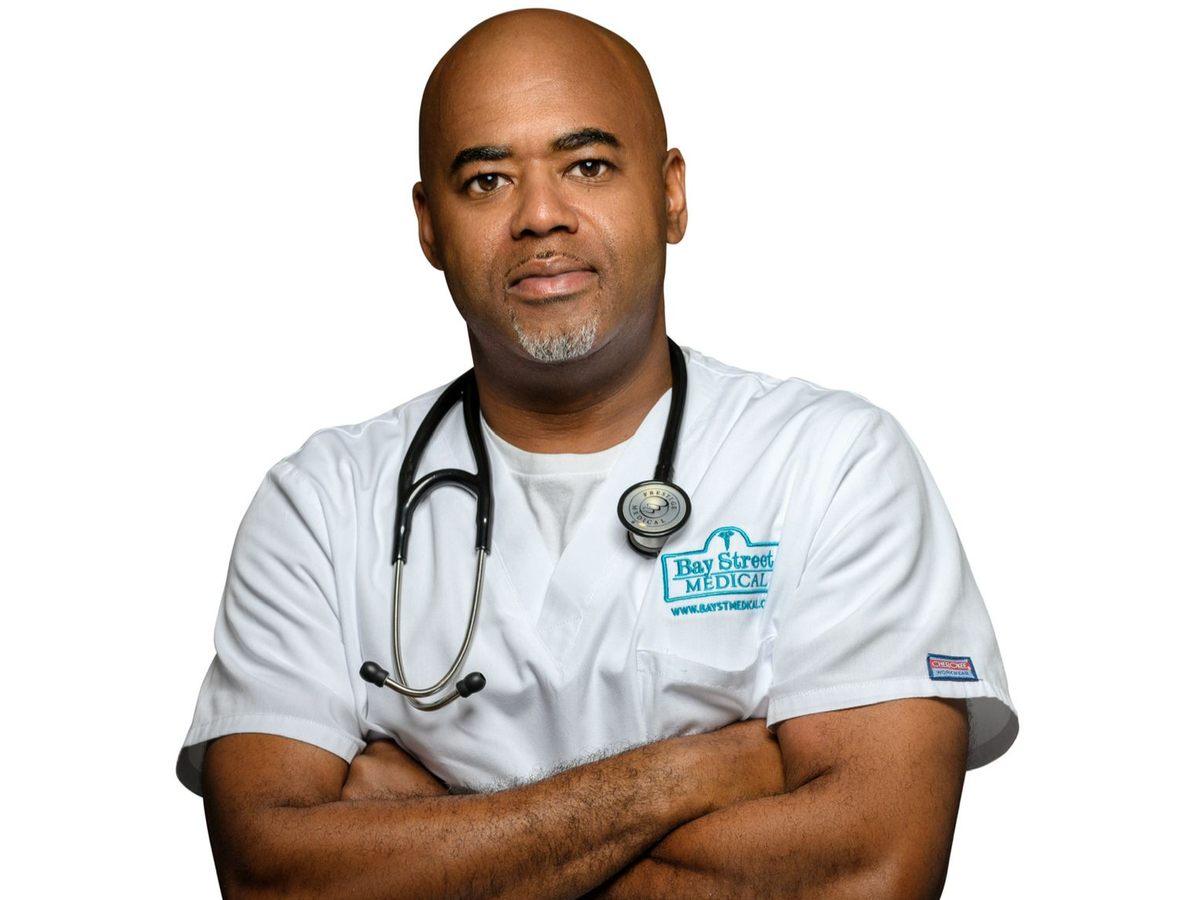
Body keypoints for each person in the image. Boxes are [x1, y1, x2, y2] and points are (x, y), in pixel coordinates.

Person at [179, 9, 1018, 898]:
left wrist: (428, 834)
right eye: (487, 180)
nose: (541, 216)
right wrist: (692, 774)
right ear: (429, 227)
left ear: (671, 195)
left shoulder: (835, 466)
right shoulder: (320, 506)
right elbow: (274, 880)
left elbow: (870, 871)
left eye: (587, 165)